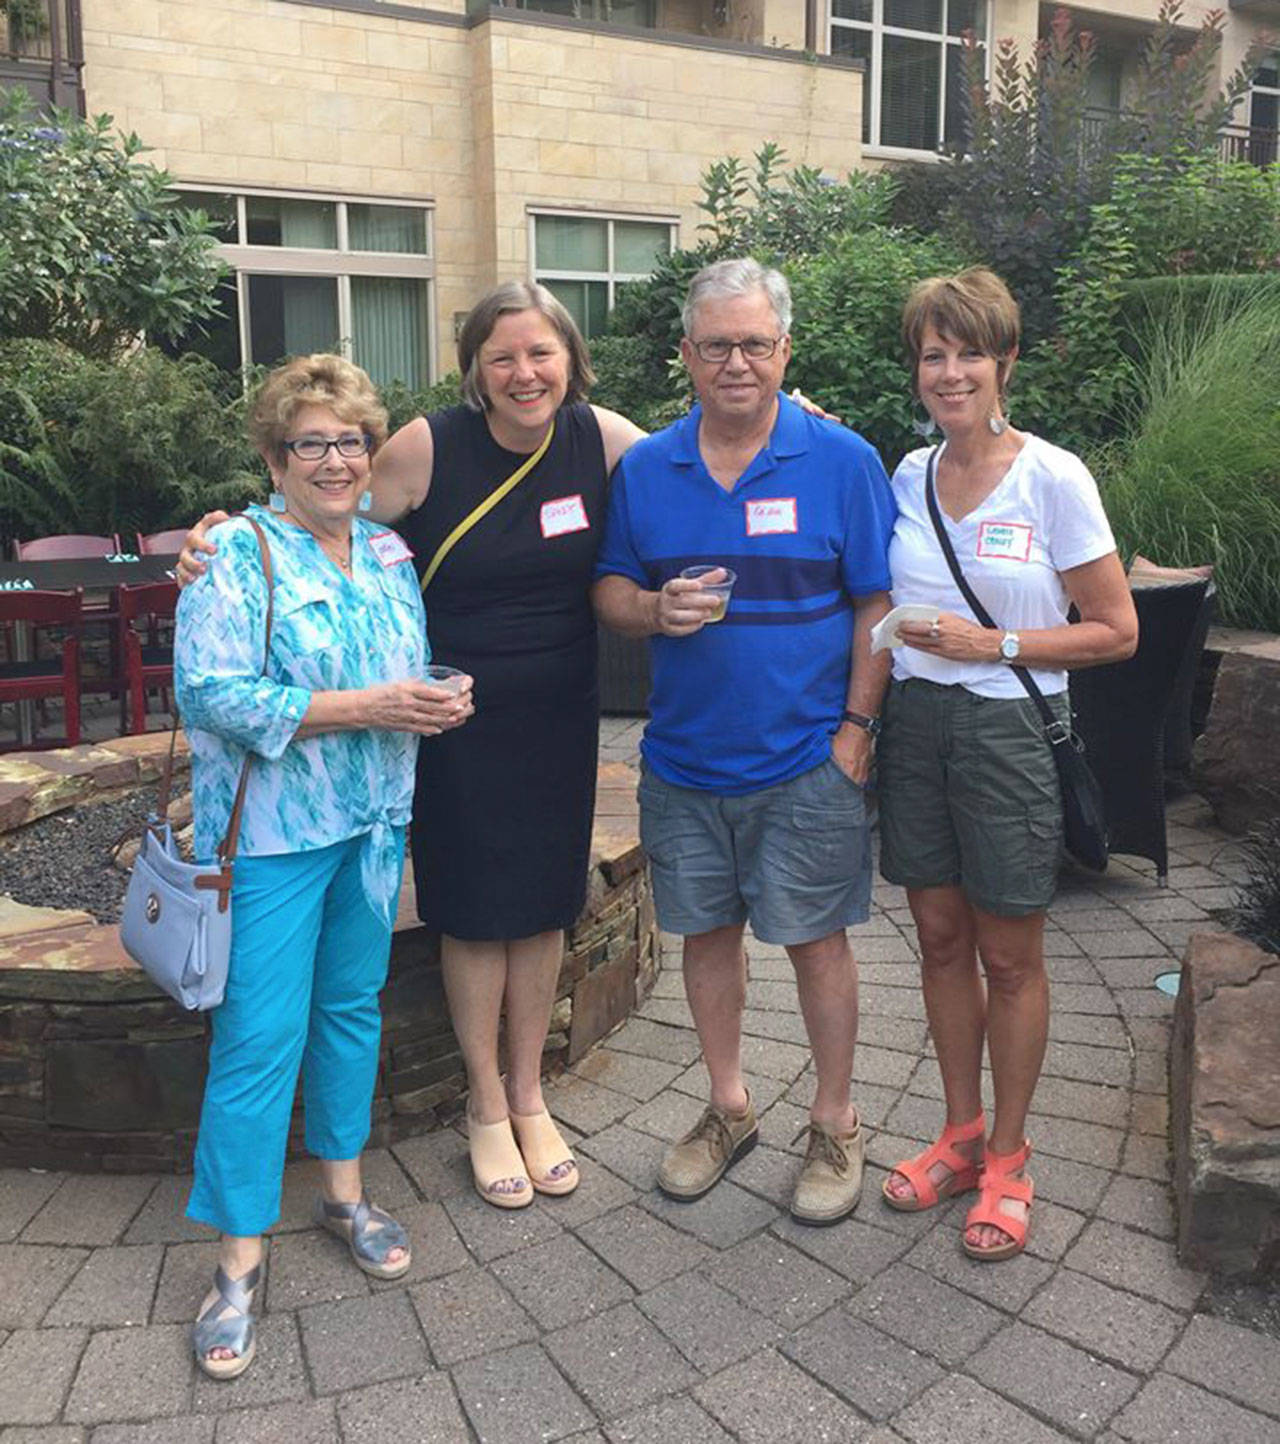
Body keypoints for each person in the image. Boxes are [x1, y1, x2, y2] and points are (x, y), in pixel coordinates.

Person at [180, 282, 644, 1211]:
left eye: (541, 352)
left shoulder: (605, 438)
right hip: (447, 717)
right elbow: (321, 503)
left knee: (546, 901)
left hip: (557, 713)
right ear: (473, 365)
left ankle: (529, 1094)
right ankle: (482, 1105)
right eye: (502, 355)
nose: (525, 372)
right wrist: (224, 535)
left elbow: (701, 465)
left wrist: (790, 427)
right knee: (475, 907)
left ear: (569, 358)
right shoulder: (432, 445)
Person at [176, 354, 473, 1378]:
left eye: (351, 440)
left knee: (351, 1009)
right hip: (271, 838)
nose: (337, 459)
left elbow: (403, 672)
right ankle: (237, 1259)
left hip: (372, 822)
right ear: (273, 457)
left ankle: (342, 1192)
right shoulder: (236, 555)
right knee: (258, 1040)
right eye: (312, 442)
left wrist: (429, 701)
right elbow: (213, 693)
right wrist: (372, 708)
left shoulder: (389, 554)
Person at [592, 257, 897, 1225]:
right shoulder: (647, 467)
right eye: (716, 344)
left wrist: (854, 734)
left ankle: (836, 1120)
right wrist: (648, 605)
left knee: (815, 942)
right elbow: (607, 591)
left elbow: (876, 604)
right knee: (705, 935)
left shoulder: (839, 460)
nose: (736, 361)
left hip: (807, 757)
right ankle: (728, 1108)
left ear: (783, 350)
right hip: (684, 759)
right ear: (685, 354)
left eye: (754, 343)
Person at [877, 268, 1138, 1259]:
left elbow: (1112, 631)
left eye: (966, 353)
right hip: (916, 724)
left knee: (1008, 954)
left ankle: (1011, 1156)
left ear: (1003, 361)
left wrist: (997, 646)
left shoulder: (1052, 478)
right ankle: (958, 1131)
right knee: (938, 938)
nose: (948, 372)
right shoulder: (908, 474)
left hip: (1006, 731)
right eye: (932, 354)